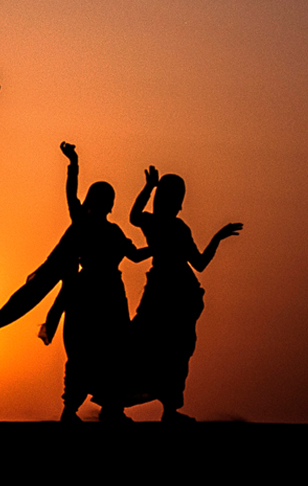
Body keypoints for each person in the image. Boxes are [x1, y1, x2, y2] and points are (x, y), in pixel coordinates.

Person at [0, 143, 148, 422]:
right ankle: (83, 410)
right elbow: (134, 255)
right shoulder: (98, 228)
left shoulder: (104, 230)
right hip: (99, 295)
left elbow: (131, 253)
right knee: (97, 351)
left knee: (104, 352)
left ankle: (98, 409)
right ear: (106, 202)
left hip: (99, 296)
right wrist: (73, 164)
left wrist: (73, 164)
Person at [127, 167, 241, 423]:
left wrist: (217, 238)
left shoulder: (161, 225)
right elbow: (200, 263)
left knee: (165, 349)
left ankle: (167, 409)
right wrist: (217, 238)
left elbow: (134, 216)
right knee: (165, 349)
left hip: (172, 294)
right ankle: (155, 407)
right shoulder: (171, 226)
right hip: (171, 294)